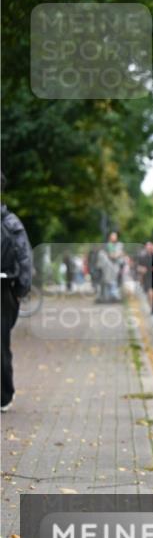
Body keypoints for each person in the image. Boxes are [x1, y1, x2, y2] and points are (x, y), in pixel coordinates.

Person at [1, 175, 33, 413]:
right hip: (5, 288)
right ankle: (3, 396)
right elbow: (24, 257)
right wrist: (21, 289)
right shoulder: (11, 222)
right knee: (1, 343)